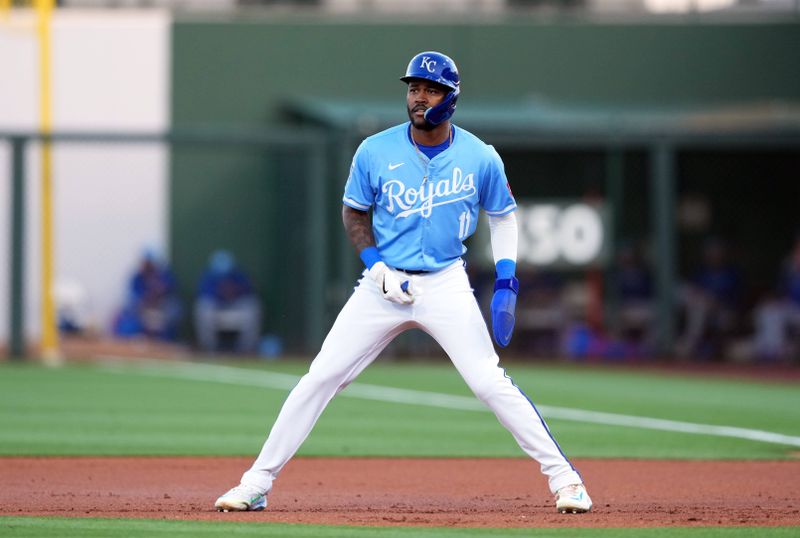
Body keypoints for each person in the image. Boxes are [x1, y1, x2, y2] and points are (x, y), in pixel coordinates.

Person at [214, 51, 592, 514]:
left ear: (450, 98)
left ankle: (566, 480)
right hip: (383, 283)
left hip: (446, 283)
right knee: (321, 376)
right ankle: (256, 483)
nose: (418, 96)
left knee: (489, 383)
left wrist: (507, 281)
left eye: (430, 88)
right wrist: (376, 267)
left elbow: (503, 217)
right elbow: (354, 211)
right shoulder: (375, 149)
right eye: (413, 87)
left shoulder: (480, 156)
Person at [194, 250, 261, 354]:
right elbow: (205, 294)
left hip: (235, 305)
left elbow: (248, 291)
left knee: (252, 306)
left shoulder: (238, 275)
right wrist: (222, 293)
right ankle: (209, 347)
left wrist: (233, 292)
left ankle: (246, 349)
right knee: (204, 308)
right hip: (217, 306)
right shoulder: (209, 276)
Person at [112, 249, 182, 341]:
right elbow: (134, 297)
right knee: (127, 318)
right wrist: (147, 300)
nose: (147, 264)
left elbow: (170, 290)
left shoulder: (163, 274)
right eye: (145, 262)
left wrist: (159, 292)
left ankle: (164, 340)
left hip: (162, 310)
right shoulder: (137, 277)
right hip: (143, 311)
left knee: (174, 309)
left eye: (149, 262)